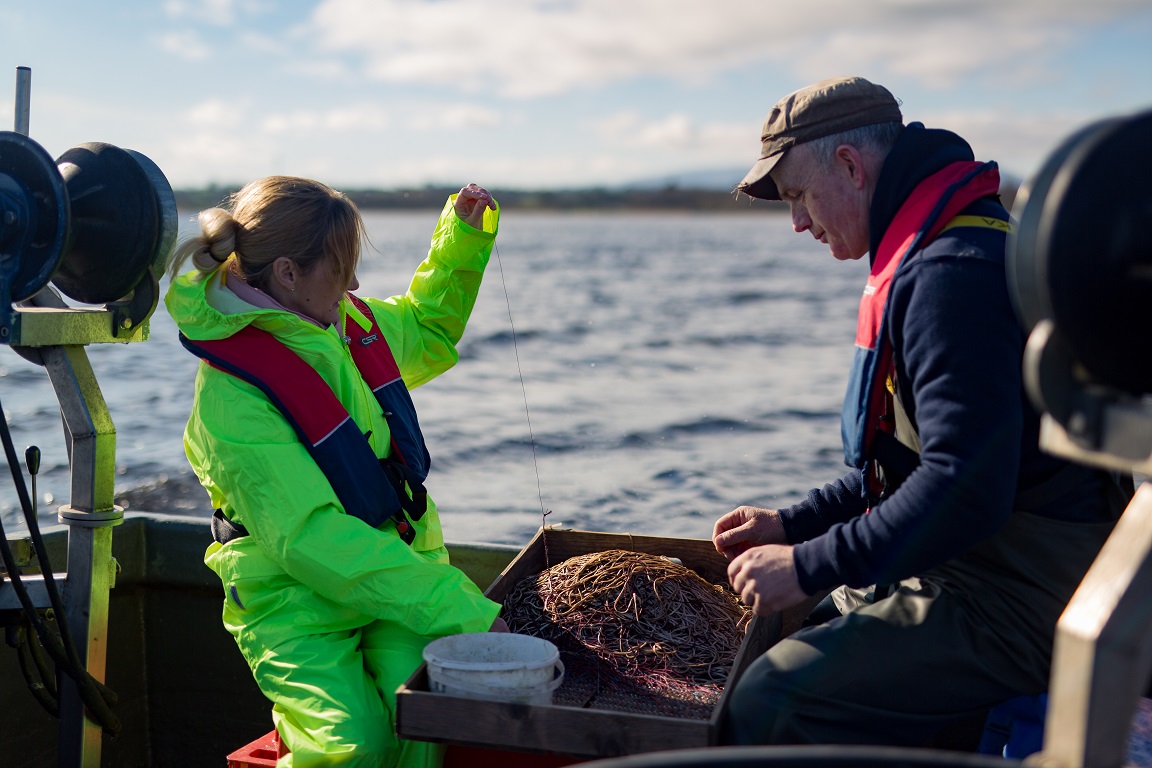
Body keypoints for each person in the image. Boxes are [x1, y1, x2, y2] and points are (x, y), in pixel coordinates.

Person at [713, 77, 1131, 747]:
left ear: (850, 166)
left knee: (770, 698)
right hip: (978, 563)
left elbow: (964, 487)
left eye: (797, 195)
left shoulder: (951, 276)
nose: (796, 221)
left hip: (1025, 597)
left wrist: (807, 563)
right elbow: (909, 469)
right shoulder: (949, 243)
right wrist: (792, 525)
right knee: (812, 622)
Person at [165, 176, 507, 768]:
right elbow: (309, 537)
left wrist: (460, 240)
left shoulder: (343, 318)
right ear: (289, 274)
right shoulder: (232, 399)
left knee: (425, 719)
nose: (353, 284)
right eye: (341, 268)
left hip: (397, 573)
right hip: (293, 600)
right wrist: (463, 607)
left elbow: (426, 330)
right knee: (350, 750)